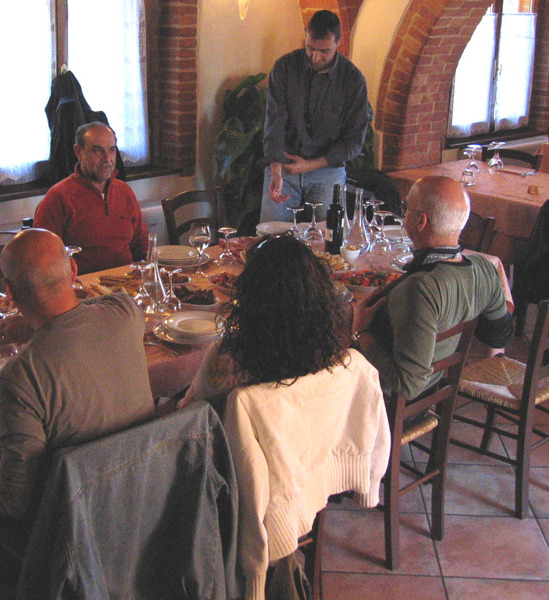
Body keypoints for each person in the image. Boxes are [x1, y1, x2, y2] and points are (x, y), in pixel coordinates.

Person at [179, 235, 388, 600]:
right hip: (309, 465)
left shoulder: (229, 355)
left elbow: (192, 411)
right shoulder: (337, 354)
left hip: (250, 491)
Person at [0, 228, 156, 528]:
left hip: (77, 532)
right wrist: (35, 325)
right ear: (74, 271)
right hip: (148, 501)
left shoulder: (18, 378)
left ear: (9, 291)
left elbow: (16, 502)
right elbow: (95, 307)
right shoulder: (126, 313)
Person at [352, 175, 514, 401]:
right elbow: (500, 335)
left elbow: (408, 385)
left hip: (381, 406)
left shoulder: (420, 288)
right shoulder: (484, 269)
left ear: (420, 221)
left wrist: (361, 332)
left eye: (405, 208)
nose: (403, 214)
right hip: (434, 390)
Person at [260, 9, 368, 223]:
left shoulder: (353, 81)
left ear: (339, 42)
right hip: (284, 168)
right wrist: (275, 169)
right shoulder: (285, 67)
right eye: (310, 48)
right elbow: (275, 122)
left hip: (328, 172)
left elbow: (354, 140)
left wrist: (311, 165)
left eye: (324, 51)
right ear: (306, 37)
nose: (315, 57)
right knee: (272, 239)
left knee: (328, 241)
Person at [33, 122, 148, 275]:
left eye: (111, 150)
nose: (107, 158)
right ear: (78, 152)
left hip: (127, 283)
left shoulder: (124, 191)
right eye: (97, 151)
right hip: (84, 289)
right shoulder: (58, 197)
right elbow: (43, 258)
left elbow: (141, 244)